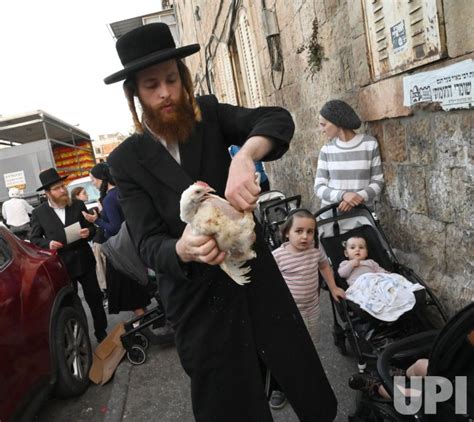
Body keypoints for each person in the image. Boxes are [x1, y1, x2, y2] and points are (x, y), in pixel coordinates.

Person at [104, 23, 337, 422]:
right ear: (135, 94)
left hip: (256, 283)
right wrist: (181, 248)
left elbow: (277, 119)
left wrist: (246, 155)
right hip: (199, 305)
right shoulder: (126, 161)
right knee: (230, 404)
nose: (165, 93)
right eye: (151, 85)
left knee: (300, 381)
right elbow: (147, 242)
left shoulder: (208, 116)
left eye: (172, 80)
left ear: (184, 78)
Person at [271, 209, 346, 408]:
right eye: (299, 231)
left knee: (309, 345)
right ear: (287, 232)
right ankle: (280, 386)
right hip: (289, 313)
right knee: (286, 349)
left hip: (312, 309)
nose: (305, 236)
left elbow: (324, 266)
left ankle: (306, 379)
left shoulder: (315, 251)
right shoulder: (278, 256)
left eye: (310, 232)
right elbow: (268, 283)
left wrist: (333, 287)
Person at [29, 168, 107, 343]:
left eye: (63, 186)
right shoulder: (39, 213)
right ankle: (80, 339)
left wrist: (90, 231)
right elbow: (34, 238)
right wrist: (48, 244)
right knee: (71, 305)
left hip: (84, 260)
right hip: (62, 265)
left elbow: (93, 228)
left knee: (94, 298)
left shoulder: (77, 205)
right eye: (57, 188)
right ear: (48, 193)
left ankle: (101, 332)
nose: (63, 190)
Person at [82, 163, 150, 316]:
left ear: (101, 178)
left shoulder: (109, 199)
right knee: (138, 291)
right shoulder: (122, 192)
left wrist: (96, 221)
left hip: (121, 251)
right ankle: (146, 321)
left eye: (93, 179)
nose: (92, 182)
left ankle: (143, 324)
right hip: (135, 244)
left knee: (130, 294)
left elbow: (114, 227)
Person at [314, 99, 384, 213]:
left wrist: (355, 198)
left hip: (362, 217)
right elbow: (319, 187)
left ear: (337, 122)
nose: (321, 130)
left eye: (323, 125)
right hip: (332, 219)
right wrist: (343, 195)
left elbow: (378, 181)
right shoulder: (326, 150)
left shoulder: (369, 144)